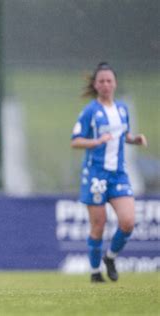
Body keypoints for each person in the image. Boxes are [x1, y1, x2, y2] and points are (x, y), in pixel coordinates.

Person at [71, 62, 148, 283]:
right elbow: (75, 141)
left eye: (109, 81)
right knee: (98, 224)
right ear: (95, 85)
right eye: (101, 81)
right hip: (95, 175)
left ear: (115, 84)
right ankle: (95, 272)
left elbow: (122, 136)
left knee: (128, 222)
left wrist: (134, 139)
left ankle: (110, 257)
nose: (105, 85)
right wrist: (96, 141)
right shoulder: (90, 112)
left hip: (118, 174)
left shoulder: (122, 109)